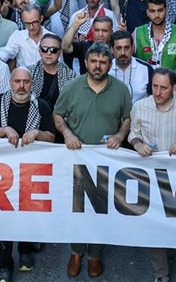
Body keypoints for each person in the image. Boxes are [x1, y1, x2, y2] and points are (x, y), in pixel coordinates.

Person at [54, 43, 133, 277]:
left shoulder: (120, 89)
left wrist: (120, 135)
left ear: (110, 64)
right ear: (86, 62)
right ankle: (76, 251)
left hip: (107, 161)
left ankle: (95, 254)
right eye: (94, 61)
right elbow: (58, 115)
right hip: (76, 159)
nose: (98, 66)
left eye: (103, 62)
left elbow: (127, 118)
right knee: (78, 208)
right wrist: (67, 134)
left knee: (101, 209)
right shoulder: (72, 87)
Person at [129, 67, 176, 282]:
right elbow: (134, 133)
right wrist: (138, 143)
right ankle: (161, 274)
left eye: (163, 88)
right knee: (153, 224)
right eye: (154, 87)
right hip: (149, 176)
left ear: (174, 88)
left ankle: (170, 248)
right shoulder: (140, 107)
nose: (158, 92)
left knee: (174, 220)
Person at [0, 66, 55, 280]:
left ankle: (26, 251)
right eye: (17, 81)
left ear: (32, 84)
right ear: (10, 82)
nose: (21, 86)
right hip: (1, 173)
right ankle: (4, 265)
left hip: (30, 171)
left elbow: (51, 136)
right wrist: (5, 130)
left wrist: (37, 132)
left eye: (26, 82)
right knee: (2, 217)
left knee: (27, 213)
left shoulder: (41, 106)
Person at [134, 0, 176, 70]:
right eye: (152, 11)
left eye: (160, 10)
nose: (157, 15)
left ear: (167, 10)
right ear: (147, 12)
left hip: (172, 81)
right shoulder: (137, 33)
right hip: (145, 81)